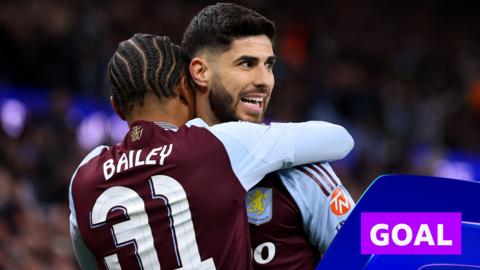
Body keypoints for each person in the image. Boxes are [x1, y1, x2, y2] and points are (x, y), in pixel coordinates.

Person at [69, 34, 354, 269]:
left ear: (116, 107)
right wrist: (264, 137)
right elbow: (340, 140)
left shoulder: (83, 179)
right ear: (184, 88)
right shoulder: (214, 144)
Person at [181, 3, 355, 269]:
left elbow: (362, 258)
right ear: (201, 72)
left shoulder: (301, 172)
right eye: (247, 64)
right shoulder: (161, 170)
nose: (265, 81)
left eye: (269, 65)